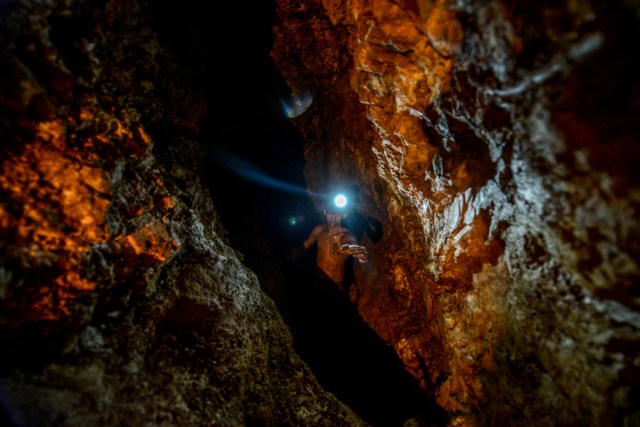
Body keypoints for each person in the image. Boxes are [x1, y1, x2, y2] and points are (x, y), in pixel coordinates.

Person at [288, 204, 368, 294]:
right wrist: (296, 253)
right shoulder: (318, 230)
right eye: (330, 213)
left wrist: (357, 251)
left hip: (336, 286)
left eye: (337, 214)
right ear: (325, 212)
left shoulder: (346, 236)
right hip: (317, 280)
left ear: (344, 215)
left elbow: (352, 244)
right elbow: (305, 245)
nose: (333, 217)